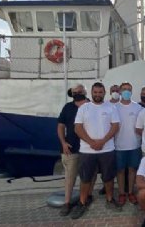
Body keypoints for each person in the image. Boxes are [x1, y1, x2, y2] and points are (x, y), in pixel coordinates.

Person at [72, 82, 122, 219]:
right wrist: (91, 142)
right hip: (87, 151)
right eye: (95, 92)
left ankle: (110, 199)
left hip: (107, 149)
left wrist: (102, 141)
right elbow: (78, 128)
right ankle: (82, 203)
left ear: (104, 93)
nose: (98, 95)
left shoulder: (111, 107)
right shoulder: (84, 108)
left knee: (108, 177)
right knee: (85, 178)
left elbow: (115, 127)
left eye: (100, 92)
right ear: (91, 93)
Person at [56, 84, 87, 216]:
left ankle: (85, 198)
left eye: (80, 91)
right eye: (74, 92)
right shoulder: (68, 107)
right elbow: (61, 126)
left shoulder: (91, 106)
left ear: (85, 91)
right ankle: (67, 203)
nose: (77, 93)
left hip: (88, 149)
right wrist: (63, 142)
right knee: (70, 177)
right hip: (72, 148)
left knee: (87, 177)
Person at [114, 82, 143, 205]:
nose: (126, 91)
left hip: (134, 145)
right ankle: (121, 193)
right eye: (124, 89)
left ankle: (130, 192)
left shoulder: (138, 107)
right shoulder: (114, 107)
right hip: (119, 145)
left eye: (129, 89)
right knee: (120, 171)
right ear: (120, 92)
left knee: (132, 170)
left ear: (131, 92)